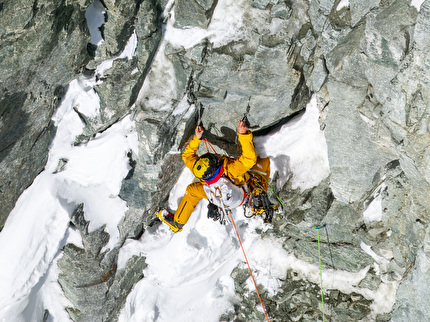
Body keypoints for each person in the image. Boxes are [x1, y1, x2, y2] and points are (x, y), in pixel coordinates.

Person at [156, 120, 278, 232]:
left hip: (214, 193)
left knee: (192, 191)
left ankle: (178, 223)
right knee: (263, 163)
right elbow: (249, 159)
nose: (218, 155)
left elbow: (187, 156)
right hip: (238, 191)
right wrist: (243, 134)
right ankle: (258, 205)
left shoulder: (199, 170)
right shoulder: (230, 170)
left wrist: (197, 139)